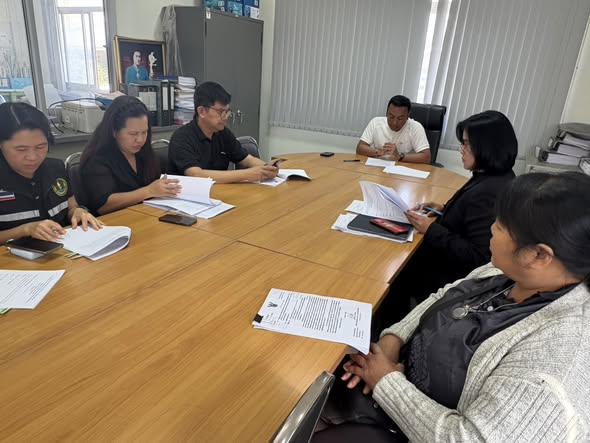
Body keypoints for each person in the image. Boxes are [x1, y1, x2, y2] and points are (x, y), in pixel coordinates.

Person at [315, 172, 590, 442]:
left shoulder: (558, 355)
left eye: (501, 225)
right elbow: (443, 297)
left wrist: (387, 382)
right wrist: (393, 339)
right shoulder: (505, 273)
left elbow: (468, 438)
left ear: (539, 255)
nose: (491, 228)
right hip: (391, 385)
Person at [375, 110, 517, 329]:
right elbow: (470, 218)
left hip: (447, 276)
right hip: (445, 262)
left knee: (390, 266)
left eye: (466, 144)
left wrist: (430, 229)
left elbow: (478, 256)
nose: (461, 149)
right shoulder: (494, 177)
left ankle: (387, 326)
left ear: (486, 146)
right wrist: (443, 209)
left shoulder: (488, 192)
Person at [0, 102, 101, 244]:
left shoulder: (56, 168)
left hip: (64, 249)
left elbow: (71, 206)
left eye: (40, 146)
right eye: (21, 149)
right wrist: (25, 230)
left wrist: (78, 212)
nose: (32, 157)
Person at [79, 96, 181, 215]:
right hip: (114, 221)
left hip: (146, 215)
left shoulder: (144, 152)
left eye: (144, 132)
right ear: (114, 131)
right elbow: (103, 205)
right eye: (133, 134)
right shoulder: (96, 159)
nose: (140, 139)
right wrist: (148, 191)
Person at [168, 81, 279, 183]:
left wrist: (266, 168)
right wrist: (247, 174)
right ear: (201, 111)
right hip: (189, 195)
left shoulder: (222, 133)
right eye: (220, 112)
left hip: (219, 192)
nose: (226, 117)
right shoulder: (181, 137)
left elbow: (247, 159)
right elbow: (197, 175)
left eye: (227, 111)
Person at [356, 95, 430, 163]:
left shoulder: (415, 127)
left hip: (402, 168)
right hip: (377, 167)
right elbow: (360, 148)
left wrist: (399, 157)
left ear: (408, 115)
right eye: (391, 117)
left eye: (400, 118)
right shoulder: (375, 122)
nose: (394, 123)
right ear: (386, 113)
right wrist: (378, 152)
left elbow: (426, 157)